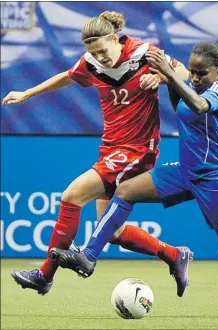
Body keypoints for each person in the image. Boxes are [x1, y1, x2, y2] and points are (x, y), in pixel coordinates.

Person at [50, 41, 218, 319]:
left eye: (202, 73)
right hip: (185, 171)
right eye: (192, 72)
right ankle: (89, 257)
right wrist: (167, 79)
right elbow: (180, 102)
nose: (196, 77)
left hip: (217, 177)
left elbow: (199, 105)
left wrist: (170, 73)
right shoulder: (190, 81)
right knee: (125, 190)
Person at [3, 11, 192, 297]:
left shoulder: (144, 53)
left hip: (138, 149)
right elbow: (66, 77)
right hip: (111, 149)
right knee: (114, 232)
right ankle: (174, 254)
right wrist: (27, 94)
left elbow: (184, 72)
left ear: (115, 39)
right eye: (93, 53)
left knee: (71, 196)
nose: (100, 58)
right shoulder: (91, 62)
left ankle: (44, 275)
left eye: (103, 51)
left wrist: (161, 78)